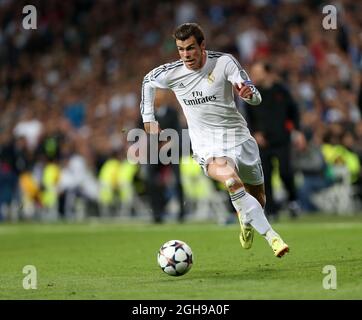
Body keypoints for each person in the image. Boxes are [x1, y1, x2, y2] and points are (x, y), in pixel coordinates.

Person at [139, 23, 289, 258]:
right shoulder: (173, 72)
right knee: (230, 180)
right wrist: (148, 117)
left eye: (190, 48)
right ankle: (272, 237)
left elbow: (252, 94)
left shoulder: (224, 62)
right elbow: (147, 81)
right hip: (207, 145)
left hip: (238, 137)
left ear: (202, 45)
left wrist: (250, 96)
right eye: (181, 49)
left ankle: (245, 218)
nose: (186, 55)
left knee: (258, 198)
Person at [248, 62, 306, 220]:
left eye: (256, 72)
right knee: (265, 175)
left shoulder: (281, 91)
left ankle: (293, 200)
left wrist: (298, 131)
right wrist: (255, 133)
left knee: (285, 172)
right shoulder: (251, 93)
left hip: (282, 139)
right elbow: (247, 117)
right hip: (262, 142)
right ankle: (272, 210)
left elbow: (293, 112)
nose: (253, 75)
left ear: (267, 73)